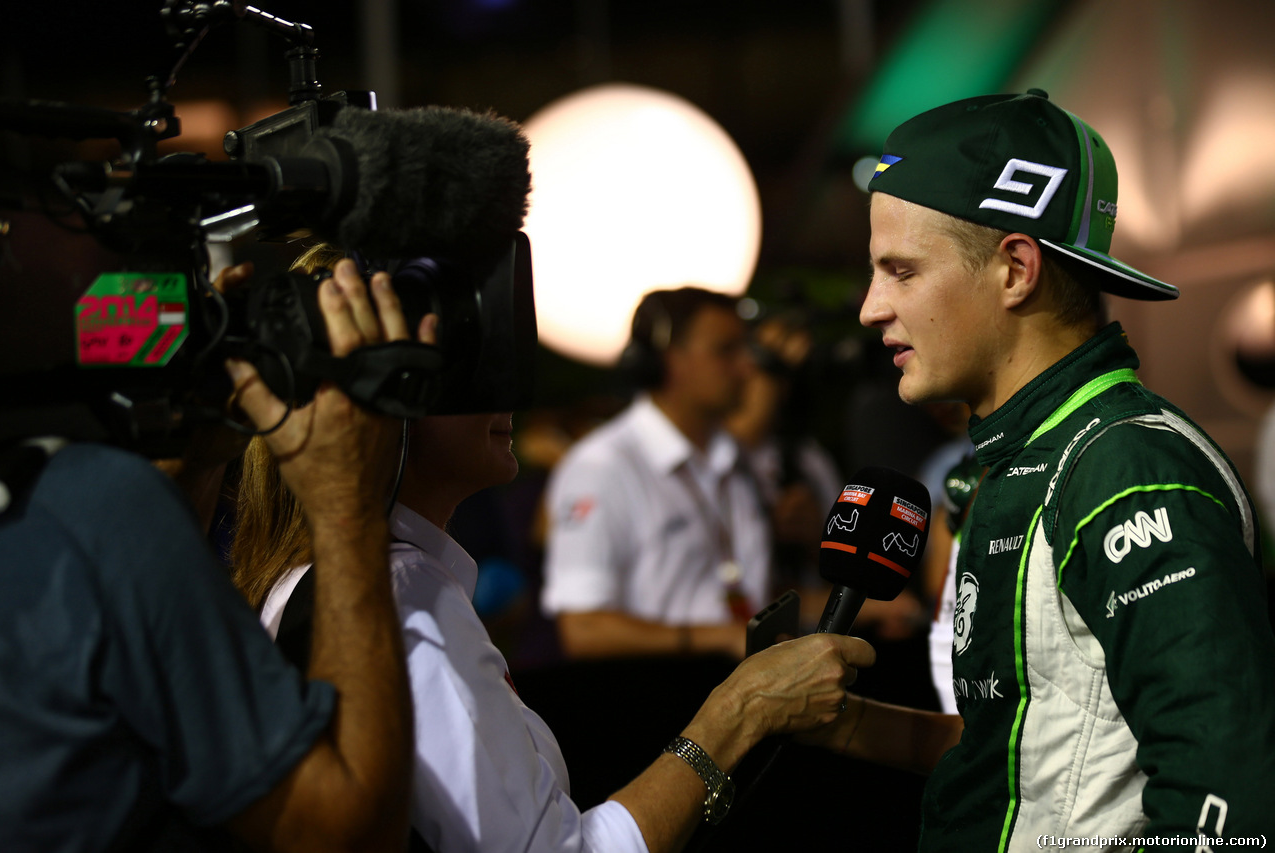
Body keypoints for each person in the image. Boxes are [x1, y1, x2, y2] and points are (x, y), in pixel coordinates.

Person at [230, 248, 878, 853]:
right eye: (464, 364)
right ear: (378, 405)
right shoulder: (402, 596)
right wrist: (739, 710)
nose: (507, 390)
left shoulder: (327, 582)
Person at [801, 90, 1275, 847]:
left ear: (1017, 269)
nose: (869, 308)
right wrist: (839, 721)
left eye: (901, 271)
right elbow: (1021, 759)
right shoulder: (1020, 458)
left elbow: (1228, 802)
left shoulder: (1124, 464)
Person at [0, 260, 415, 851]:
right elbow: (351, 833)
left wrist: (184, 443)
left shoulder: (49, 502)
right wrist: (347, 503)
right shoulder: (89, 507)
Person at [540, 287, 771, 661]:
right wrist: (720, 638)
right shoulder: (601, 467)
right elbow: (582, 629)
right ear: (670, 361)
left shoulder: (738, 459)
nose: (747, 366)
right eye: (726, 350)